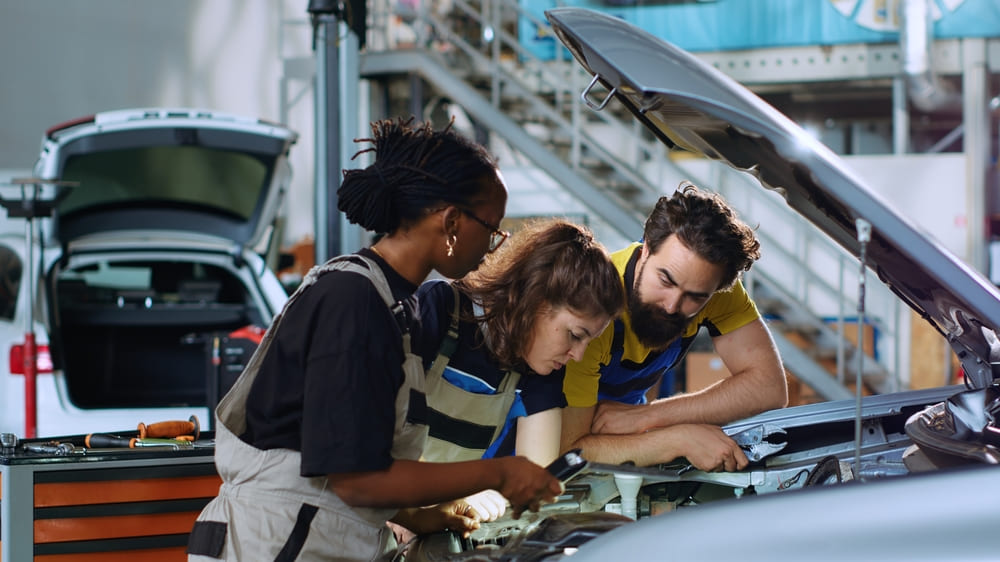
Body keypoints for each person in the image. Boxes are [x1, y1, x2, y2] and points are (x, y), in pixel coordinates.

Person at [187, 117, 561, 561]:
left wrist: (421, 517)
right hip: (275, 542)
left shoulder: (395, 304)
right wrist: (499, 473)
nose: (493, 246)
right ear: (451, 222)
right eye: (492, 229)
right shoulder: (354, 300)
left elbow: (353, 452)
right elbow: (357, 479)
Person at [561, 181, 788, 473]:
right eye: (666, 281)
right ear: (646, 249)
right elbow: (568, 451)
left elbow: (769, 387)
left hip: (628, 438)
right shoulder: (593, 308)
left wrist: (648, 416)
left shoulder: (712, 287)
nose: (672, 306)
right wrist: (678, 439)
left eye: (695, 297)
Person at [414, 218, 624, 521]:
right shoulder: (439, 309)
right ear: (535, 299)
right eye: (575, 335)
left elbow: (534, 485)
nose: (578, 355)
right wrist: (454, 490)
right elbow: (372, 431)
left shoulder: (540, 370)